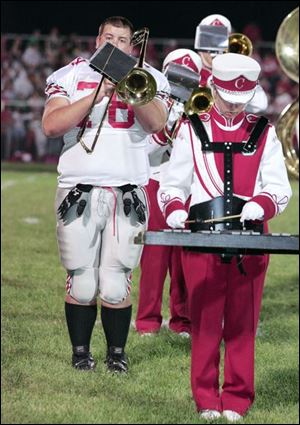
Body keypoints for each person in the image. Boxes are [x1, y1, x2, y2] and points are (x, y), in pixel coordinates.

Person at [158, 53, 292, 421]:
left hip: (251, 241)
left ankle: (237, 396)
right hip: (203, 239)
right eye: (227, 98)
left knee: (242, 322)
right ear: (213, 88)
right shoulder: (190, 128)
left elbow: (279, 187)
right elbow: (172, 184)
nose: (233, 106)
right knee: (204, 322)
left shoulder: (263, 131)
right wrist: (174, 209)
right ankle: (204, 397)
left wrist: (261, 205)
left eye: (241, 99)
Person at [42, 16, 170, 373]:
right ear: (98, 40)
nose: (115, 44)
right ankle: (80, 354)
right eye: (109, 37)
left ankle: (117, 354)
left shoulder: (152, 76)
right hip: (79, 189)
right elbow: (51, 125)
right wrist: (95, 93)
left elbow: (157, 123)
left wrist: (129, 87)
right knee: (82, 280)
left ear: (133, 45)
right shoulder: (69, 74)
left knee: (116, 282)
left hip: (127, 189)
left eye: (123, 39)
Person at [136, 49, 202, 337]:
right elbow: (144, 151)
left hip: (186, 186)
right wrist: (166, 130)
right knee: (154, 258)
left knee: (183, 259)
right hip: (155, 180)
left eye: (188, 79)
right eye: (176, 76)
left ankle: (183, 321)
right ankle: (148, 321)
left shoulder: (201, 108)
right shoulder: (148, 101)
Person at [194, 13, 268, 113]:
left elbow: (260, 105)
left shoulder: (234, 72)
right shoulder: (191, 67)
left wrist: (242, 68)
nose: (214, 50)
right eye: (209, 41)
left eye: (220, 41)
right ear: (200, 43)